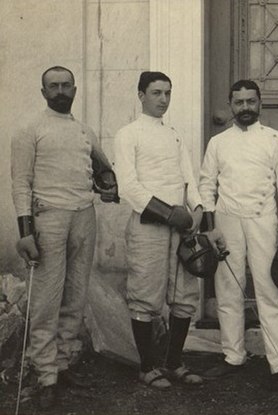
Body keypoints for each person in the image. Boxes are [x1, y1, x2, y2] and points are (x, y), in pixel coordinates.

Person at [11, 66, 119, 409]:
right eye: (53, 86)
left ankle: (64, 364)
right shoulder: (30, 130)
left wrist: (108, 185)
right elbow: (19, 183)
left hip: (84, 216)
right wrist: (26, 233)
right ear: (43, 92)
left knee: (75, 295)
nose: (60, 91)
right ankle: (45, 376)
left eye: (65, 85)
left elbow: (102, 170)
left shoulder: (85, 131)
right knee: (46, 301)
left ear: (75, 89)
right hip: (49, 219)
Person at [198, 80, 278, 390]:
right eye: (239, 102)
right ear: (230, 105)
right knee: (229, 289)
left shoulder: (274, 140)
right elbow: (207, 185)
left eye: (251, 101)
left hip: (264, 220)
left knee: (270, 291)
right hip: (227, 220)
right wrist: (211, 227)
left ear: (260, 103)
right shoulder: (218, 142)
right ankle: (233, 356)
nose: (245, 107)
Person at [113, 71, 204, 390]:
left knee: (184, 296)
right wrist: (170, 214)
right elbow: (128, 186)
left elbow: (189, 177)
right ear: (141, 95)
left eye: (167, 93)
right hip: (149, 225)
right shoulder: (128, 134)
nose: (163, 99)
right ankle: (148, 366)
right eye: (156, 93)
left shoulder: (175, 135)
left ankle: (174, 362)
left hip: (182, 226)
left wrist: (197, 210)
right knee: (145, 296)